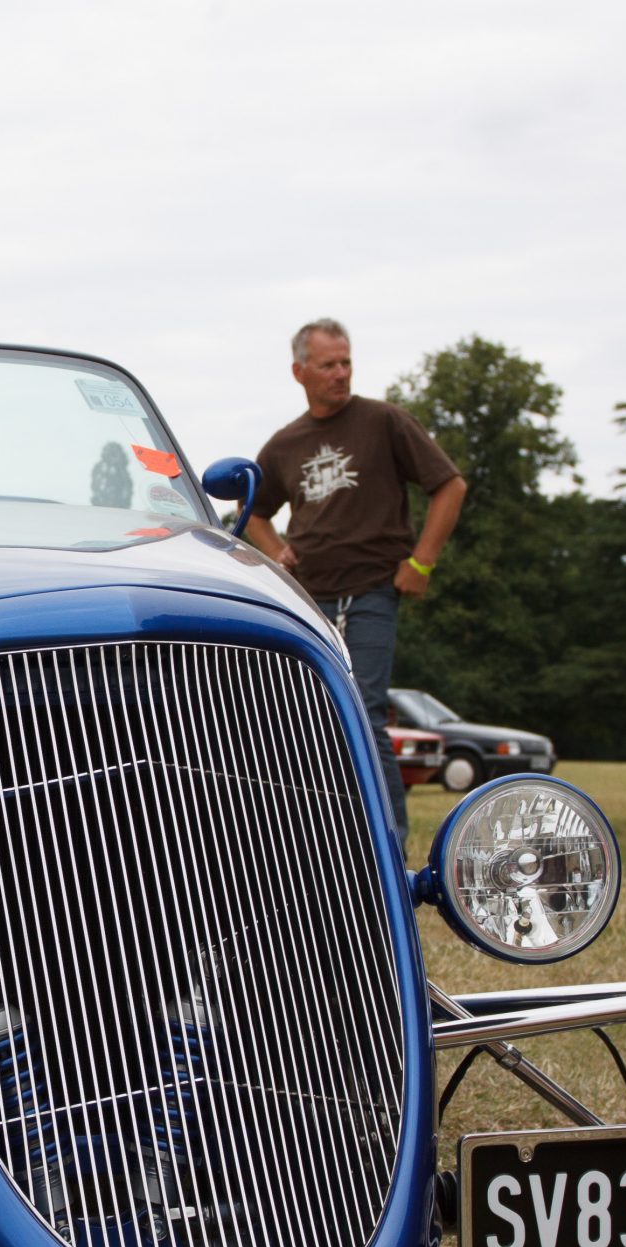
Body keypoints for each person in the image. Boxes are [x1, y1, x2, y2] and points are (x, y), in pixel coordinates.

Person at [241, 317, 465, 851]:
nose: (341, 373)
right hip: (307, 598)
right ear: (299, 372)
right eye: (328, 365)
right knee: (306, 719)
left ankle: (389, 849)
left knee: (362, 711)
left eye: (346, 362)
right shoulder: (285, 444)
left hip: (370, 590)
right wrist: (276, 552)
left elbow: (450, 485)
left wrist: (422, 564)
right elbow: (253, 511)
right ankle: (322, 840)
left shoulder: (383, 421)